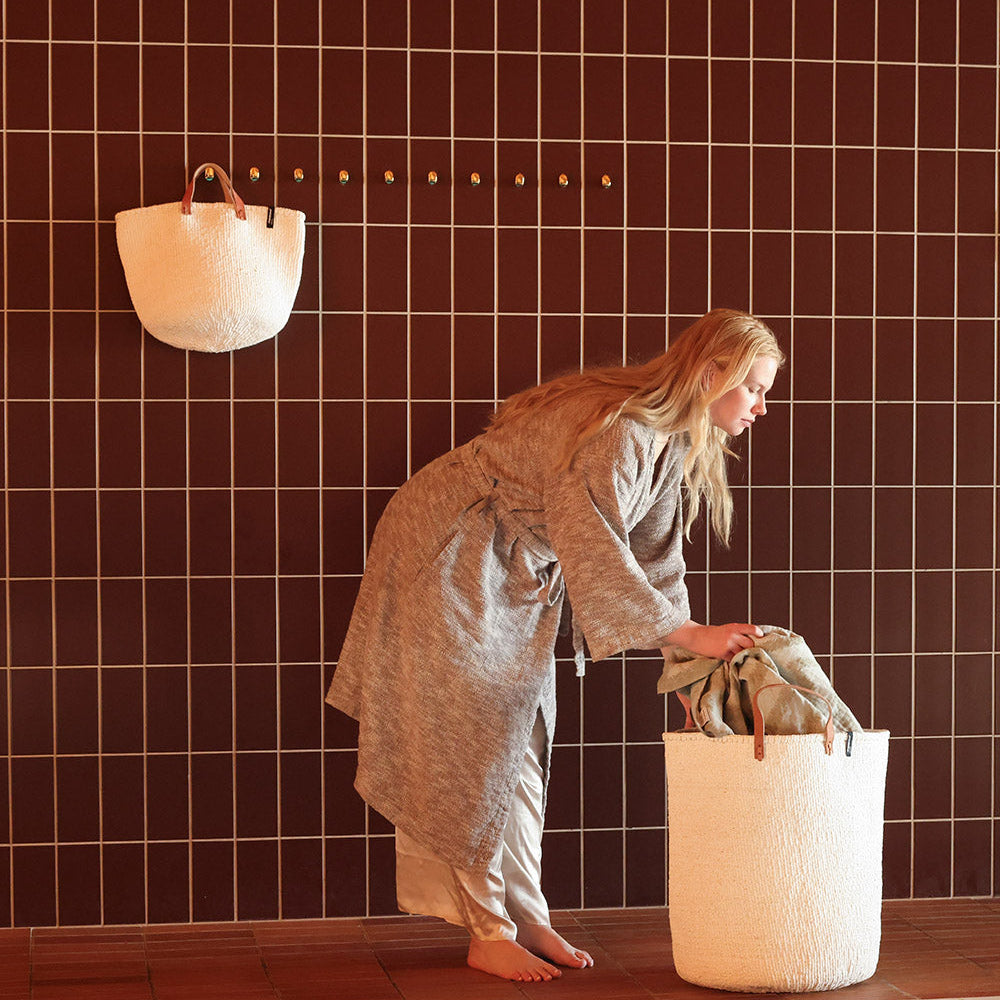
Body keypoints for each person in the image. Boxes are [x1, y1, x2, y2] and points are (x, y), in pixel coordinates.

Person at [326, 308, 783, 982]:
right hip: (447, 550)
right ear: (712, 373)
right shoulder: (622, 431)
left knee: (523, 736)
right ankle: (487, 932)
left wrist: (687, 663)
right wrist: (686, 635)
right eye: (754, 388)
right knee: (471, 741)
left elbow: (653, 561)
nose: (761, 408)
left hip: (508, 565)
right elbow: (592, 539)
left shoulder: (670, 441)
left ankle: (526, 915)